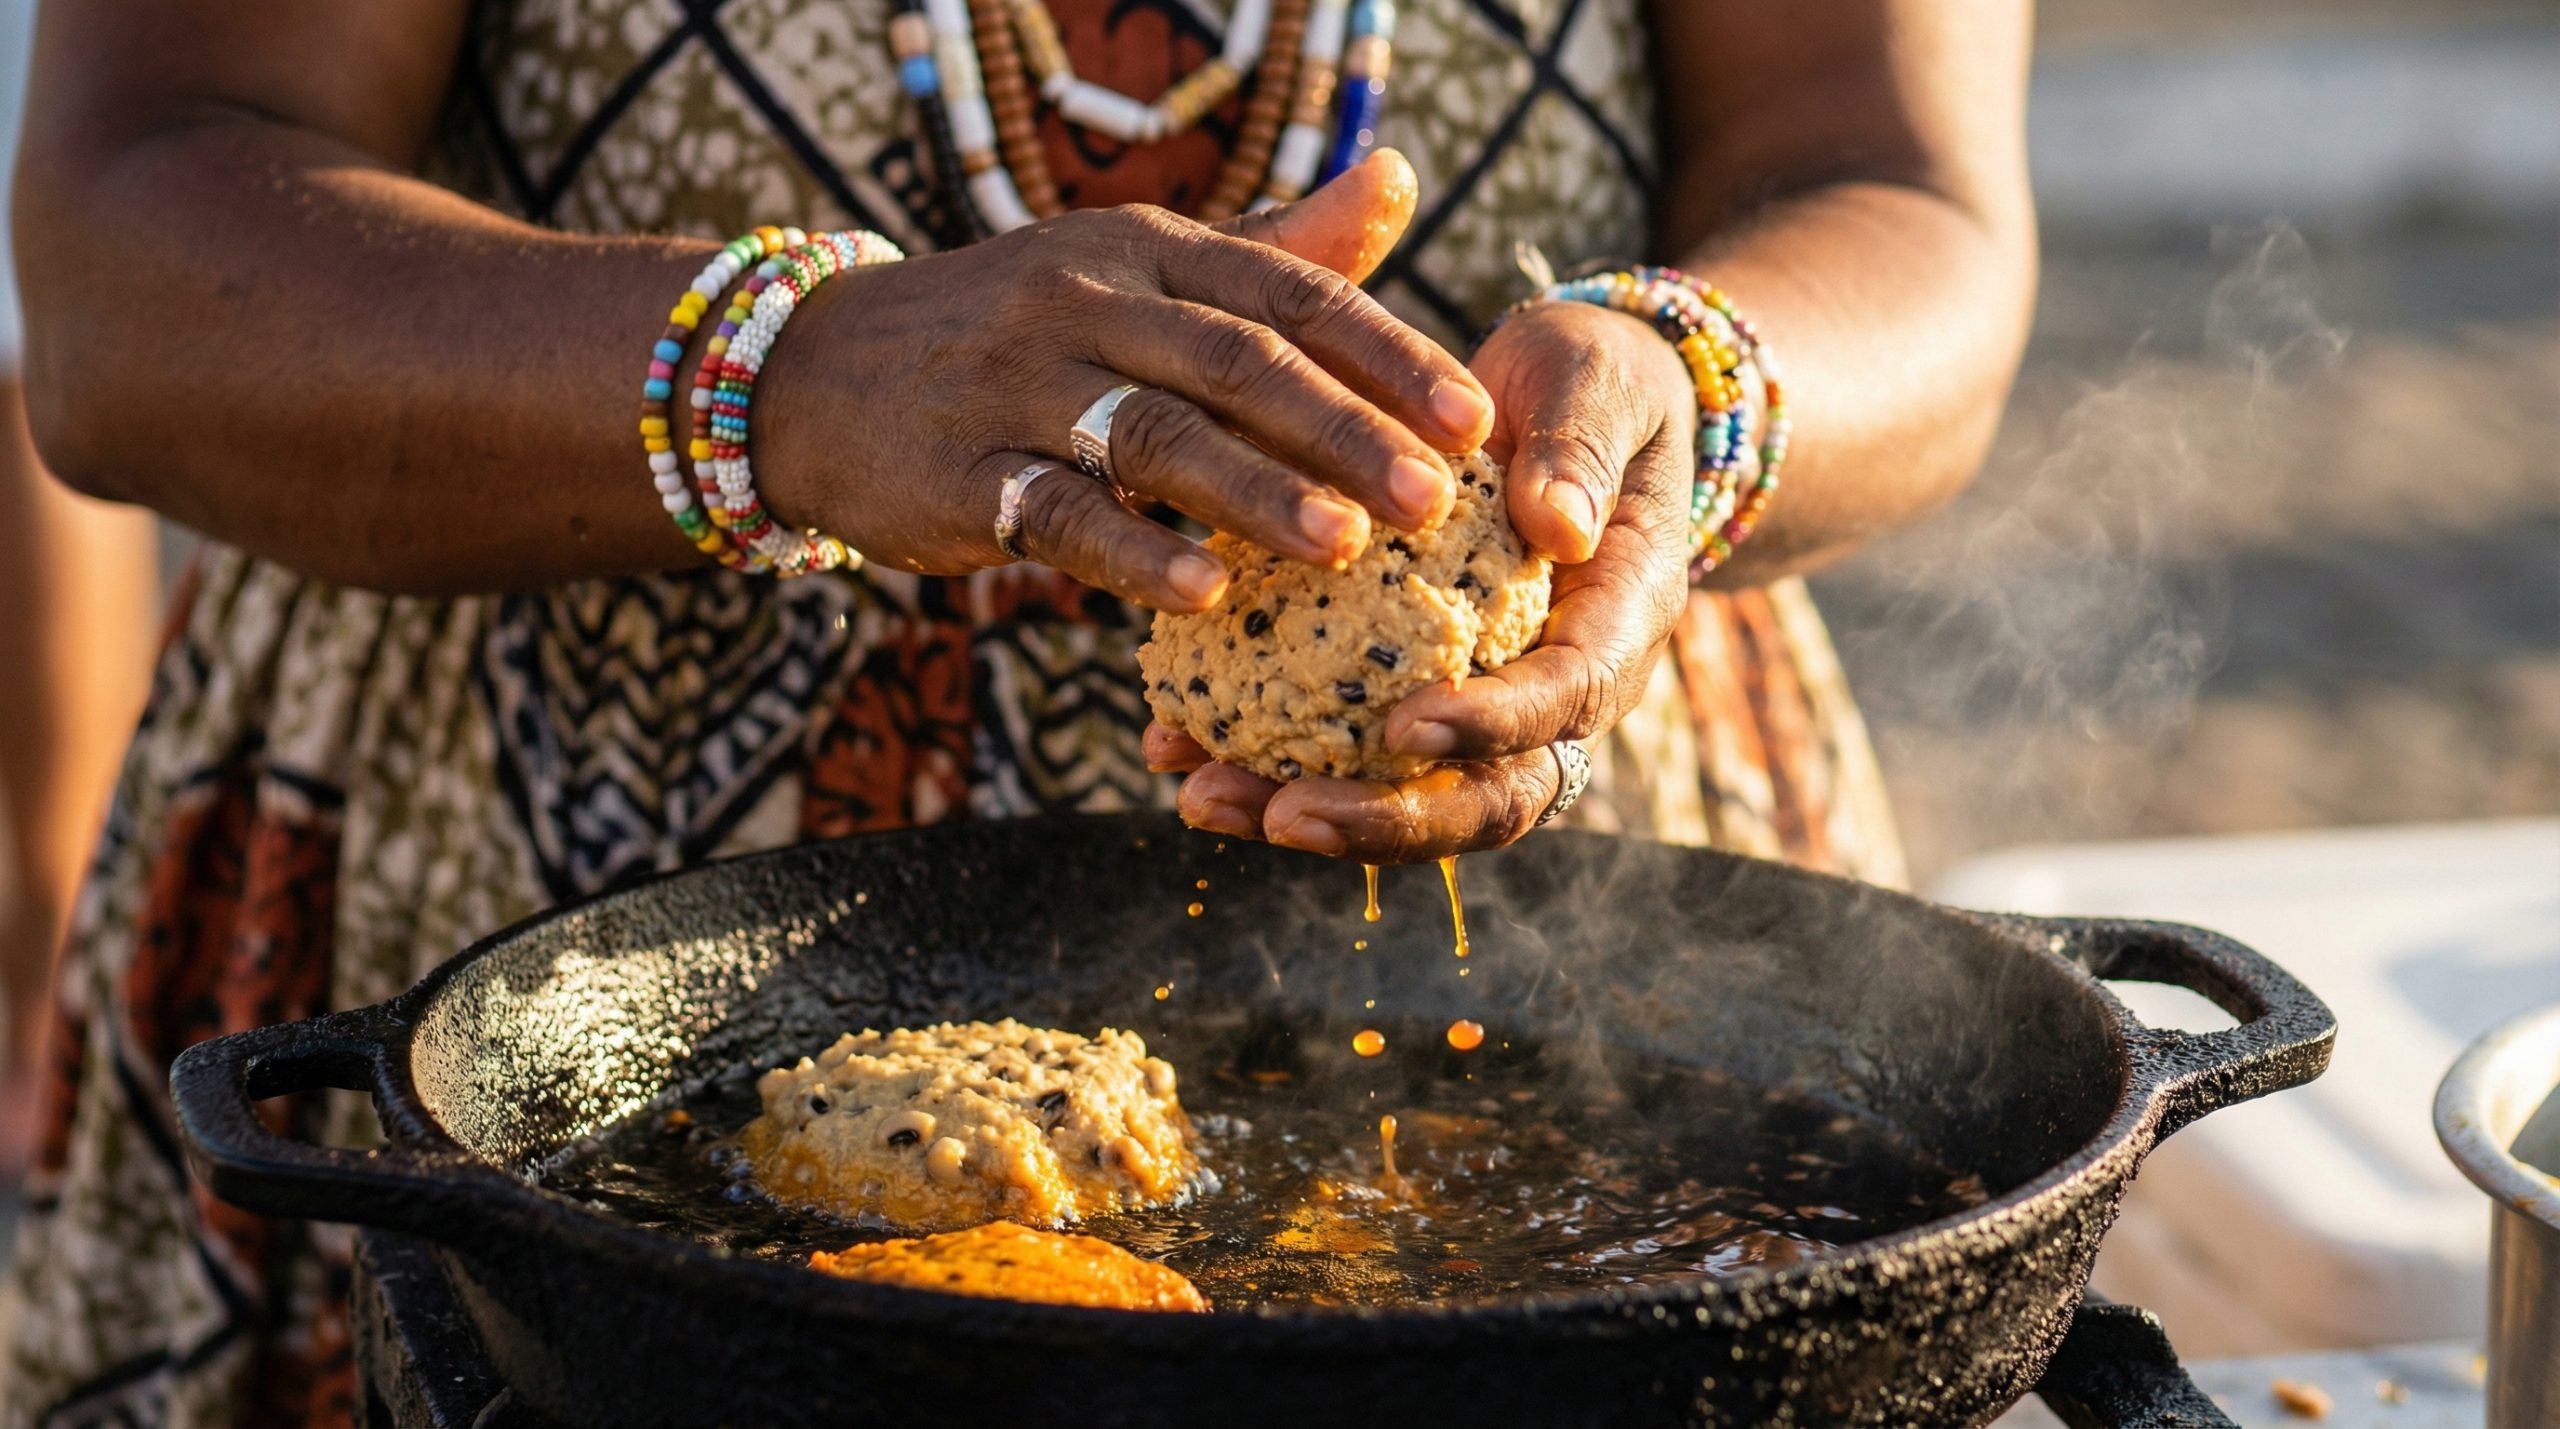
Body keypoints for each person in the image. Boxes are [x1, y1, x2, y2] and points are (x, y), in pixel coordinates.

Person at [1, 0, 2034, 1422]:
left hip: (1574, 846)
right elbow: (120, 276)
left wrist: (1690, 390)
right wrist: (778, 375)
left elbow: (1905, 197)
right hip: (539, 915)